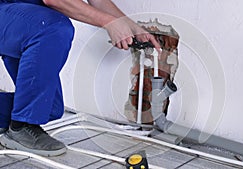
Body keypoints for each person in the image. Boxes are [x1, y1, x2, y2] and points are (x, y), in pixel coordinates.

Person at [0, 0, 160, 156]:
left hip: (21, 18)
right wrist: (109, 22)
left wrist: (129, 25)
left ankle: (21, 119)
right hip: (13, 16)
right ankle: (21, 127)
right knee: (53, 27)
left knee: (47, 109)